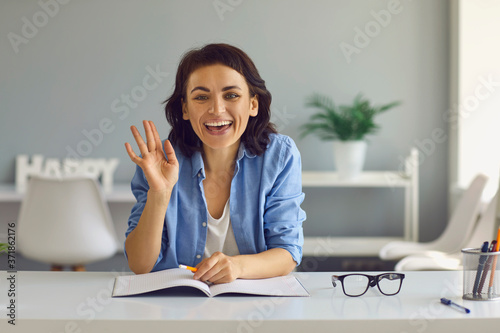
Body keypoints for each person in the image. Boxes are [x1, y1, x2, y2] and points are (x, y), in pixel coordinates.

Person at [124, 43, 306, 284]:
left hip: (255, 309)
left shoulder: (280, 156)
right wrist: (160, 192)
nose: (217, 109)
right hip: (176, 306)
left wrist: (237, 266)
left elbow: (287, 253)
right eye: (201, 97)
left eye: (231, 95)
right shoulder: (158, 162)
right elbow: (140, 265)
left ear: (253, 104)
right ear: (185, 109)